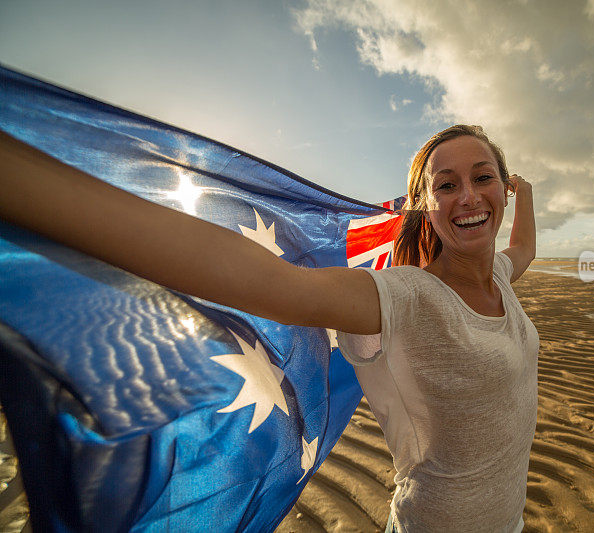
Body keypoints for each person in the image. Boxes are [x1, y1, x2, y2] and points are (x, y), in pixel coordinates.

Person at [0, 124, 537, 532]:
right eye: (447, 185)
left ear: (502, 191)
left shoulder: (500, 277)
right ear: (425, 204)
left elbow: (523, 250)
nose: (468, 196)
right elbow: (280, 287)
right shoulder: (407, 296)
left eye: (483, 178)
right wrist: (25, 187)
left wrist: (525, 192)